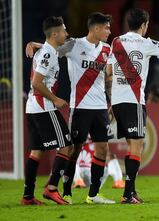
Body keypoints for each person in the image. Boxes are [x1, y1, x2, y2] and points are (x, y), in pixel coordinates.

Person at [26, 12, 115, 204]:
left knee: (102, 148)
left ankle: (93, 195)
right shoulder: (75, 44)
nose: (109, 31)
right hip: (80, 106)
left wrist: (112, 102)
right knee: (74, 149)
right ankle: (66, 191)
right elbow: (53, 49)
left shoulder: (107, 49)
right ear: (96, 28)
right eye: (106, 27)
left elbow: (108, 78)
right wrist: (38, 45)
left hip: (100, 107)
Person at [105, 8, 159, 204]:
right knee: (137, 147)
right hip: (134, 102)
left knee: (131, 146)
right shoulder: (146, 43)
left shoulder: (116, 41)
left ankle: (132, 191)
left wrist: (111, 101)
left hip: (118, 102)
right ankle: (127, 194)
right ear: (145, 25)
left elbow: (109, 73)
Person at [21, 16, 73, 205]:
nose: (67, 34)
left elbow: (53, 49)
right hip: (44, 107)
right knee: (67, 145)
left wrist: (36, 43)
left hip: (32, 108)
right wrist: (55, 99)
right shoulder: (48, 53)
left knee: (37, 151)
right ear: (55, 33)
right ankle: (52, 188)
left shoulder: (47, 50)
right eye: (64, 31)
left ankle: (27, 196)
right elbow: (36, 83)